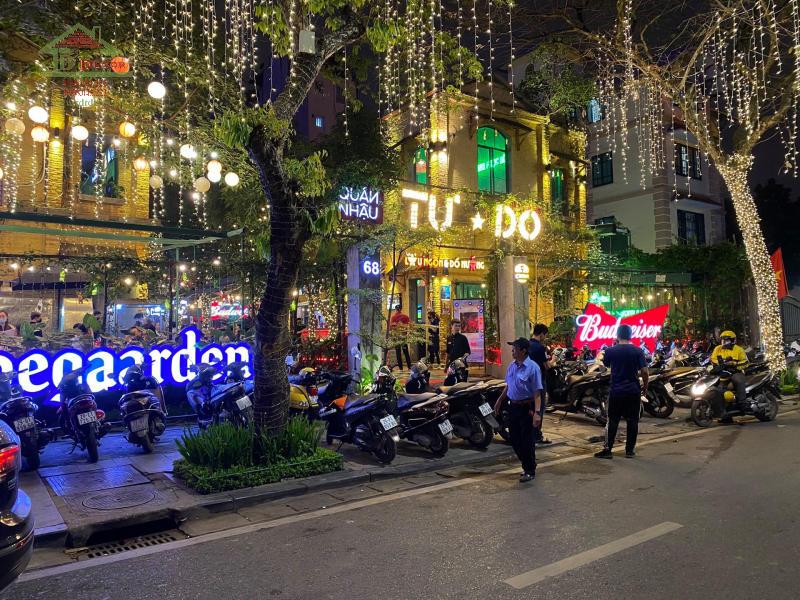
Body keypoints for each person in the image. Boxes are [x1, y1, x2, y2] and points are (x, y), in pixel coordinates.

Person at [595, 324, 649, 459]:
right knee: (632, 421)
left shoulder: (610, 351)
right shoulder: (638, 351)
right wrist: (645, 387)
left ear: (617, 335)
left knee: (613, 420)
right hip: (633, 391)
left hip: (616, 391)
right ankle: (629, 451)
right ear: (630, 336)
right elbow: (644, 371)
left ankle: (608, 450)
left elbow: (604, 365)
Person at [494, 338, 543, 483]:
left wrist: (537, 413)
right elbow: (509, 385)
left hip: (527, 407)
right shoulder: (512, 366)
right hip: (513, 406)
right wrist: (500, 400)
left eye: (515, 349)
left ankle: (529, 469)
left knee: (527, 440)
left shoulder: (533, 368)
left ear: (523, 351)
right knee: (514, 439)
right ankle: (529, 463)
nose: (512, 351)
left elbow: (537, 393)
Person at [709, 330, 749, 420]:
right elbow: (713, 359)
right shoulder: (718, 348)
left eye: (726, 340)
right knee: (718, 390)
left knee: (738, 380)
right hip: (722, 373)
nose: (724, 342)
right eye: (722, 340)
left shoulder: (738, 349)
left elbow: (745, 363)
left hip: (736, 372)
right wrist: (721, 364)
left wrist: (734, 363)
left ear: (732, 340)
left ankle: (743, 403)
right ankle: (723, 413)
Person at [529, 323, 553, 445]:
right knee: (539, 408)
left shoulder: (527, 344)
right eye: (545, 335)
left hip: (528, 381)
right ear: (542, 333)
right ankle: (537, 435)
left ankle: (530, 434)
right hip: (539, 381)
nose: (545, 337)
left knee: (530, 408)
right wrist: (554, 360)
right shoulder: (540, 347)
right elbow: (547, 366)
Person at [388, 306, 412, 370]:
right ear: (401, 309)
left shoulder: (393, 317)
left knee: (398, 352)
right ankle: (409, 366)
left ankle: (400, 368)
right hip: (403, 336)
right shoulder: (405, 316)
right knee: (406, 352)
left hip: (397, 337)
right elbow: (410, 325)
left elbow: (391, 327)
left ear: (396, 309)